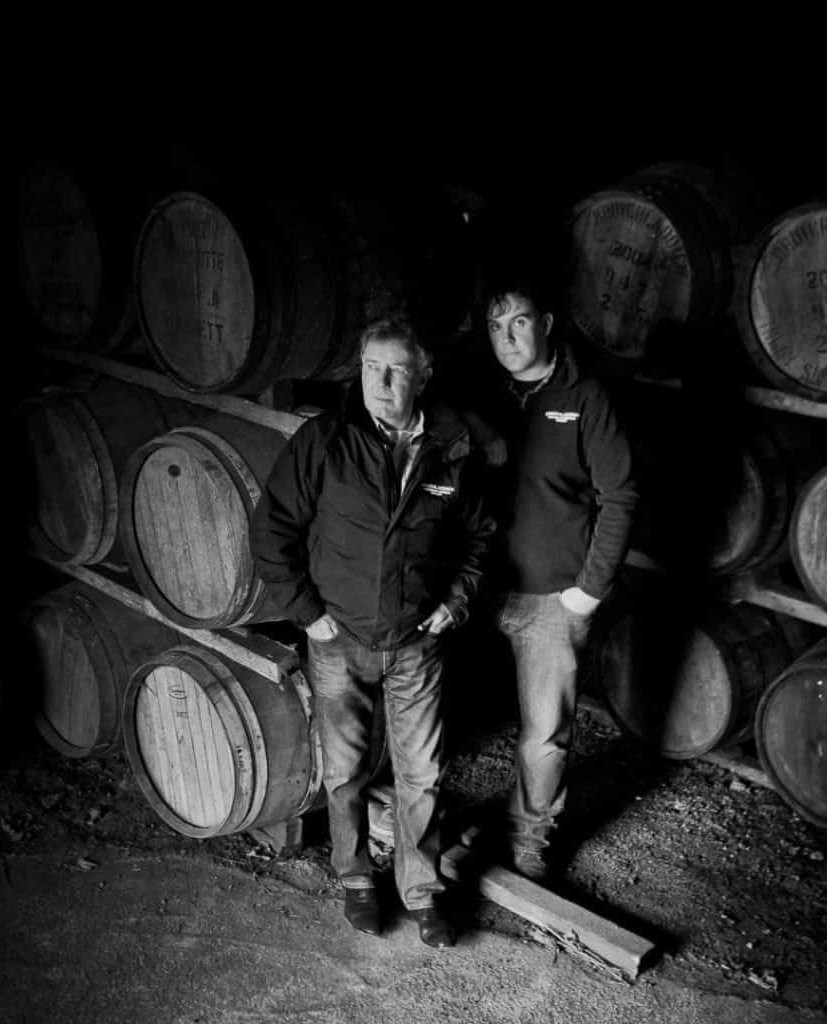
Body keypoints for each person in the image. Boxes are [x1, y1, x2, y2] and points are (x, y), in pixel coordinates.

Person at [250, 317, 495, 949]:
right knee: (345, 771)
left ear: (423, 376)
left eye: (397, 370)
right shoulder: (325, 440)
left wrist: (455, 604)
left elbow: (478, 539)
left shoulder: (451, 447)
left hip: (417, 643)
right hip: (339, 640)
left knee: (422, 774)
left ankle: (422, 891)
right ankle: (356, 877)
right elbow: (272, 529)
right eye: (370, 368)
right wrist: (307, 612)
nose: (381, 384)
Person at [447, 275, 638, 882]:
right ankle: (449, 821)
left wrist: (588, 591)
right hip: (482, 587)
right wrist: (477, 426)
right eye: (495, 326)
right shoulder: (486, 390)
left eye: (520, 322)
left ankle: (530, 837)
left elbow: (621, 496)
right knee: (461, 708)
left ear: (548, 324)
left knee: (544, 733)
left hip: (553, 595)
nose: (507, 338)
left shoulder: (586, 396)